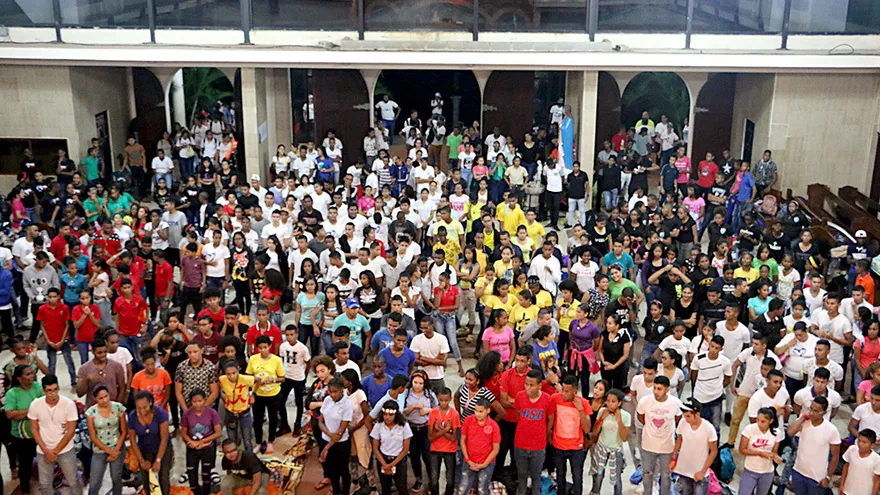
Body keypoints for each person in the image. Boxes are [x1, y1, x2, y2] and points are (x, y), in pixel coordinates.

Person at [636, 375, 683, 495]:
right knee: (647, 474)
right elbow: (640, 417)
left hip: (667, 447)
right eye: (655, 388)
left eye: (659, 389)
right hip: (648, 445)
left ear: (667, 389)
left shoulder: (675, 403)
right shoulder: (645, 401)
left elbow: (678, 419)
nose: (656, 392)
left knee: (666, 476)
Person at [787, 396, 840, 495]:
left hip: (816, 477)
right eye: (810, 408)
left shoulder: (831, 430)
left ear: (824, 412)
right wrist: (802, 418)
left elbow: (835, 456)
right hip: (798, 471)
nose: (811, 413)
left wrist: (828, 477)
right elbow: (790, 432)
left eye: (816, 411)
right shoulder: (804, 422)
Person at [514, 369, 555, 495]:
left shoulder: (547, 399)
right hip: (520, 444)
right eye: (526, 384)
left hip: (538, 446)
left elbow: (550, 419)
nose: (528, 387)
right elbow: (518, 415)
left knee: (536, 476)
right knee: (521, 476)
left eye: (531, 385)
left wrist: (543, 433)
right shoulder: (520, 396)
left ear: (539, 385)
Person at [5, 364, 42, 494]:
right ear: (19, 378)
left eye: (32, 373)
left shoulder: (38, 387)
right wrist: (32, 411)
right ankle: (25, 489)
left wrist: (23, 413)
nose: (32, 376)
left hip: (40, 433)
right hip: (22, 437)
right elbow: (10, 414)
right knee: (25, 465)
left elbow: (45, 405)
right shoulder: (12, 393)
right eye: (28, 374)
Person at [671, 397, 718, 495]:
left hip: (700, 472)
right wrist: (673, 459)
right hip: (684, 470)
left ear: (697, 414)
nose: (686, 419)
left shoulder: (708, 428)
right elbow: (679, 440)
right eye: (685, 416)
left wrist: (703, 472)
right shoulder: (683, 423)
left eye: (688, 416)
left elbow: (713, 451)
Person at [247, 334, 284, 454]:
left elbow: (282, 378)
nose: (263, 350)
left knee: (273, 418)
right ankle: (258, 442)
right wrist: (255, 379)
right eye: (260, 348)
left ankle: (270, 441)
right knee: (257, 419)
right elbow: (248, 376)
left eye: (265, 347)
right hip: (258, 393)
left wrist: (272, 379)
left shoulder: (276, 360)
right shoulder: (253, 359)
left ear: (270, 346)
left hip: (273, 394)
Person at [180, 388, 222, 495]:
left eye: (200, 401)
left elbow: (218, 433)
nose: (197, 404)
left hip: (207, 448)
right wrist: (191, 442)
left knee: (206, 476)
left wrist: (202, 442)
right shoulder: (187, 414)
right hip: (192, 448)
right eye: (194, 402)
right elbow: (183, 433)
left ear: (205, 400)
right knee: (192, 475)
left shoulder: (212, 413)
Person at [458, 398, 501, 495]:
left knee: (482, 490)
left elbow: (496, 449)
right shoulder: (468, 420)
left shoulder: (493, 426)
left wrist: (484, 464)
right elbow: (463, 441)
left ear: (488, 411)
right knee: (462, 489)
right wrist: (468, 459)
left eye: (481, 411)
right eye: (476, 410)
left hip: (486, 464)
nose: (477, 414)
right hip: (469, 462)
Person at [320, 377, 354, 495]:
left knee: (343, 471)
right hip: (326, 439)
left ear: (341, 390)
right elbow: (320, 422)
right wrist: (329, 434)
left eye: (335, 392)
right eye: (330, 391)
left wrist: (326, 448)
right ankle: (335, 491)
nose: (332, 394)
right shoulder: (327, 400)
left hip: (341, 444)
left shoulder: (347, 405)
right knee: (332, 471)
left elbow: (341, 431)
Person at [739, 407, 784, 495]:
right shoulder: (749, 429)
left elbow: (774, 451)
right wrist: (759, 453)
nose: (759, 423)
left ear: (770, 421)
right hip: (750, 469)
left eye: (763, 421)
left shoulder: (776, 433)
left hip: (767, 471)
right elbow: (742, 450)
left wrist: (776, 457)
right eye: (757, 420)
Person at [428, 387, 460, 495]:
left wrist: (440, 430)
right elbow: (430, 437)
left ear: (450, 399)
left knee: (450, 478)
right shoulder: (433, 413)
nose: (443, 403)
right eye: (441, 400)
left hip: (450, 450)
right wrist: (446, 430)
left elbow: (453, 438)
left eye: (446, 400)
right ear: (438, 398)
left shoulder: (454, 414)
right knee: (434, 478)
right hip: (435, 449)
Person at [839, 429, 880, 495]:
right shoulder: (852, 450)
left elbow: (877, 481)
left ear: (872, 445)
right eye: (859, 440)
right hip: (847, 490)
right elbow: (846, 467)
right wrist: (841, 485)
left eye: (864, 442)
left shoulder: (877, 459)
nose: (860, 444)